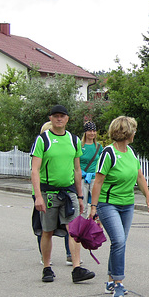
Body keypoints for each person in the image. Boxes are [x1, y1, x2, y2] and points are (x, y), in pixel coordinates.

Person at [91, 116, 149, 297]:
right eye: (133, 130)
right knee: (118, 241)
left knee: (120, 242)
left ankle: (110, 280)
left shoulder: (130, 152)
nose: (135, 133)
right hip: (108, 204)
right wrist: (93, 207)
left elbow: (139, 176)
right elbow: (98, 181)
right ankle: (118, 283)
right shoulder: (108, 153)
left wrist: (147, 196)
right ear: (127, 132)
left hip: (127, 204)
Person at [30, 105, 95, 283]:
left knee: (74, 231)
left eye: (62, 116)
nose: (59, 119)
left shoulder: (73, 140)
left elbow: (77, 170)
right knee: (47, 231)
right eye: (56, 116)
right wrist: (38, 196)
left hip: (69, 193)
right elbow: (35, 170)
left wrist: (81, 196)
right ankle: (47, 267)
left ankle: (76, 268)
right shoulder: (43, 140)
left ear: (67, 119)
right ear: (50, 118)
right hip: (48, 192)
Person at [33, 121, 72, 265]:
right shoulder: (42, 144)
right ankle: (45, 258)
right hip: (44, 191)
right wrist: (38, 196)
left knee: (70, 226)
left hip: (65, 192)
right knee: (46, 228)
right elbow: (35, 170)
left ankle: (71, 256)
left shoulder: (69, 141)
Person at [80, 121, 102, 218]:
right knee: (82, 204)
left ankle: (95, 226)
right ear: (85, 132)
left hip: (94, 177)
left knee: (96, 204)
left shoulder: (98, 147)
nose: (92, 133)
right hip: (82, 177)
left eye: (94, 131)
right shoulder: (80, 146)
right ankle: (81, 225)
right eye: (89, 131)